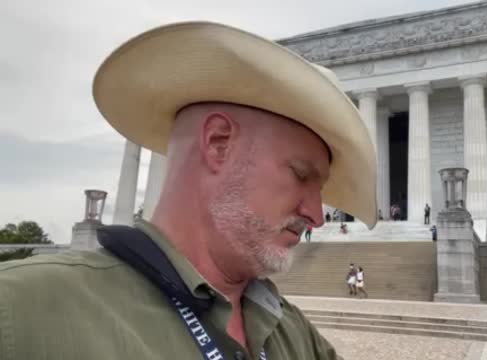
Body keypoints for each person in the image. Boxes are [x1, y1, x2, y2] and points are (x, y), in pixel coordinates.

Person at [0, 22, 379, 359]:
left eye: (321, 188)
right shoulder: (22, 312)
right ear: (218, 144)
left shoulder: (295, 335)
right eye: (300, 174)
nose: (317, 214)